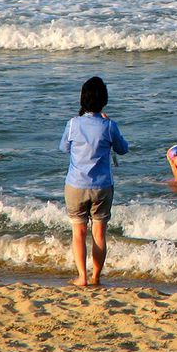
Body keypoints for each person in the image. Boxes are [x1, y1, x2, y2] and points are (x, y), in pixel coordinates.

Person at [59, 76, 129, 287]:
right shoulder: (109, 125)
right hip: (102, 186)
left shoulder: (73, 124)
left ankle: (82, 276)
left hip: (76, 185)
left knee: (78, 232)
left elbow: (64, 148)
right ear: (104, 101)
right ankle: (96, 276)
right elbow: (122, 149)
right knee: (99, 234)